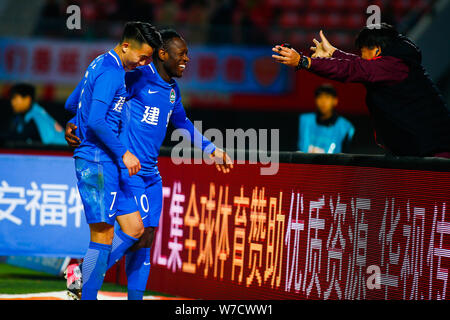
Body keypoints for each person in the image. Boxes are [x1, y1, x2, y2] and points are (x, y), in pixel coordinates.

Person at [64, 29, 233, 300]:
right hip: (128, 169)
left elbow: (183, 123)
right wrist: (74, 120)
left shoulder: (172, 91)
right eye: (182, 54)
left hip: (151, 173)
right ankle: (85, 273)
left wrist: (211, 148)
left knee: (146, 237)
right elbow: (90, 92)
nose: (187, 59)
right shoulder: (135, 74)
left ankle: (128, 294)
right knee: (131, 232)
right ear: (163, 54)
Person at [63, 21, 162, 300]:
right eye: (142, 56)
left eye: (149, 59)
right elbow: (95, 120)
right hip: (96, 161)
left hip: (106, 162)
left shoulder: (99, 63)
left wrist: (74, 121)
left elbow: (73, 103)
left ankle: (80, 272)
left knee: (133, 229)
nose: (144, 63)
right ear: (126, 45)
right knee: (103, 237)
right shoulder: (111, 72)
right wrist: (124, 152)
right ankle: (86, 291)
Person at [272, 23, 450, 158]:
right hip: (421, 152)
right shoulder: (393, 63)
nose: (361, 57)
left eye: (362, 52)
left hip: (436, 156)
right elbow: (361, 66)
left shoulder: (394, 65)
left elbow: (356, 69)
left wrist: (304, 62)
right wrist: (334, 54)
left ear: (377, 50)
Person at [298, 84, 354, 154]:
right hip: (304, 164)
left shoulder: (345, 127)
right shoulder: (305, 121)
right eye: (320, 97)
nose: (323, 101)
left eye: (327, 97)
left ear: (335, 101)